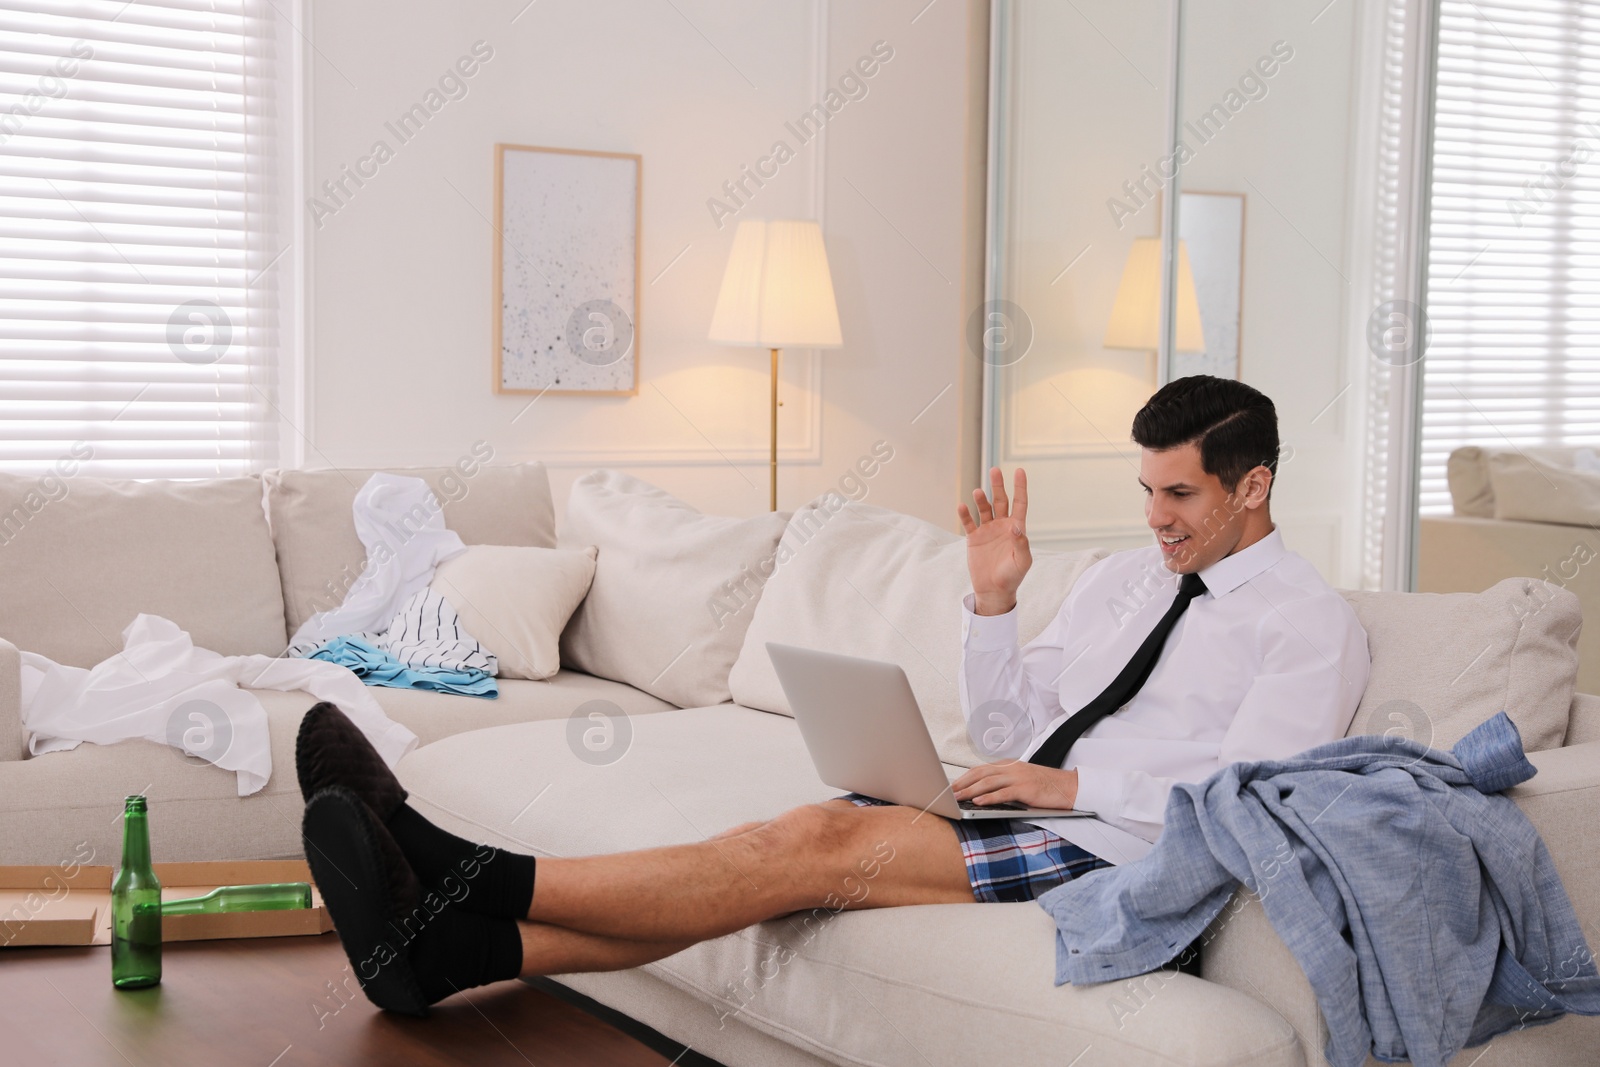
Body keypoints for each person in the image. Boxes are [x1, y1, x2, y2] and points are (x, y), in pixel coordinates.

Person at [297, 374, 1371, 1016]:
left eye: (1179, 494)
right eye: (1145, 491)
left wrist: (1073, 781)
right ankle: (450, 949)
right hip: (1026, 799)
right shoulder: (1123, 581)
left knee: (799, 845)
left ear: (1254, 484)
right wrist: (992, 601)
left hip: (1122, 844)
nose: (1156, 519)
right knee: (772, 848)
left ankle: (446, 869)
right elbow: (1006, 727)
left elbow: (1258, 792)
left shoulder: (1306, 619)